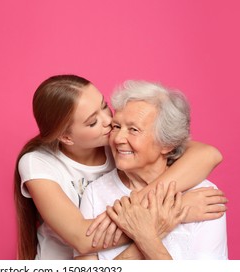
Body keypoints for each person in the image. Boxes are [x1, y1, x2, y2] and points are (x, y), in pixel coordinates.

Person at [14, 74, 226, 260]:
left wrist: (150, 201)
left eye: (104, 105)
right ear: (66, 137)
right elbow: (82, 239)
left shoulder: (117, 144)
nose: (108, 120)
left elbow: (207, 154)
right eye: (92, 122)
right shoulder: (38, 163)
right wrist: (174, 210)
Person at [75, 80, 228, 260]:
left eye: (133, 129)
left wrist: (147, 236)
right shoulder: (95, 193)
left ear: (167, 144)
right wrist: (155, 228)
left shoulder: (203, 198)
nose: (118, 139)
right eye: (116, 127)